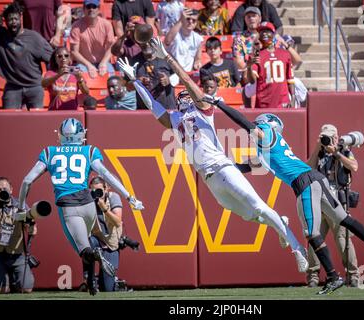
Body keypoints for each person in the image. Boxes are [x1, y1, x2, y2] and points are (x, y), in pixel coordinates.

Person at [117, 37, 309, 274]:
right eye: (180, 99)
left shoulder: (204, 111)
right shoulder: (176, 120)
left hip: (222, 167)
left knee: (259, 207)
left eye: (187, 96)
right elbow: (152, 106)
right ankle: (281, 223)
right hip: (209, 179)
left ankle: (297, 248)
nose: (184, 99)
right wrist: (134, 80)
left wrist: (167, 57)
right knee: (251, 215)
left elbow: (188, 82)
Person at [200, 98, 364, 294]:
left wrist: (220, 104)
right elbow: (248, 166)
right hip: (316, 178)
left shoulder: (266, 133)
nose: (255, 128)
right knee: (343, 218)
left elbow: (243, 123)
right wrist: (221, 167)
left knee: (311, 233)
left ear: (267, 124)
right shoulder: (270, 146)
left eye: (258, 124)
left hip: (304, 183)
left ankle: (334, 276)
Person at [17, 118, 144, 295]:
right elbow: (106, 175)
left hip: (68, 206)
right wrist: (130, 196)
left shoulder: (49, 152)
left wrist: (22, 206)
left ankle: (95, 259)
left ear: (61, 135)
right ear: (81, 134)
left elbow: (27, 181)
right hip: (88, 203)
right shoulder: (89, 151)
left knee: (84, 250)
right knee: (89, 242)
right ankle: (92, 284)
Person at [306, 124, 360, 287]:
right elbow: (308, 168)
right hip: (319, 201)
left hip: (336, 202)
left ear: (336, 137)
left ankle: (353, 275)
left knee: (343, 239)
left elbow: (354, 166)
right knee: (314, 238)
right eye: (324, 137)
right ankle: (313, 276)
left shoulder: (344, 150)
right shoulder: (320, 152)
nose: (327, 140)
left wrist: (336, 153)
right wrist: (317, 147)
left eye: (329, 137)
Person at [0, 2, 53, 110]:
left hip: (34, 86)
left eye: (15, 19)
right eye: (10, 19)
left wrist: (48, 76)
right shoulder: (0, 35)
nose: (13, 22)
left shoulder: (34, 38)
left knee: (37, 121)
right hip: (12, 87)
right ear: (5, 21)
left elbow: (53, 58)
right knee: (9, 121)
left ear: (20, 18)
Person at [80, 176, 124, 292]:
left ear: (106, 189)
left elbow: (118, 221)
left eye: (99, 191)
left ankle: (112, 282)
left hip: (110, 245)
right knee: (87, 243)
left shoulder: (113, 198)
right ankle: (89, 278)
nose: (96, 194)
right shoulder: (88, 200)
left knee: (107, 288)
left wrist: (104, 209)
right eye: (93, 191)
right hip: (95, 240)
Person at [0, 177, 35, 294]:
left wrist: (31, 228)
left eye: (5, 189)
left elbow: (31, 226)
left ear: (11, 190)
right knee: (1, 291)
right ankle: (2, 278)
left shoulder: (20, 205)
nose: (3, 191)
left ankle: (13, 278)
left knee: (26, 289)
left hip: (17, 254)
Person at [247, 22, 295, 108]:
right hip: (264, 102)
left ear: (273, 34)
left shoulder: (284, 54)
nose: (264, 33)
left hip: (283, 102)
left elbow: (290, 79)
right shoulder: (256, 55)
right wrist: (249, 66)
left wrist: (293, 97)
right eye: (262, 31)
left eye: (267, 31)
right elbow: (252, 80)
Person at [70, 0, 115, 78]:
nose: (91, 9)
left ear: (98, 9)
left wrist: (104, 62)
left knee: (113, 79)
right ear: (84, 9)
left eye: (94, 7)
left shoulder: (106, 25)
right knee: (81, 77)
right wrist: (88, 65)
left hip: (103, 62)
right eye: (88, 7)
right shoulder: (76, 26)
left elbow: (111, 48)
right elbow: (74, 52)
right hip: (83, 63)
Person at [136, 44, 178, 110]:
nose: (146, 44)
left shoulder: (166, 57)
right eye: (143, 40)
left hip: (166, 108)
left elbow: (181, 76)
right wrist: (137, 81)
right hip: (144, 109)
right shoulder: (134, 60)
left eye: (149, 41)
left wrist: (169, 80)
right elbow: (127, 84)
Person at [164, 7, 203, 72]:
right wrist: (181, 20)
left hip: (187, 74)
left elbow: (197, 58)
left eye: (193, 20)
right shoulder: (175, 33)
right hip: (172, 72)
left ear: (196, 23)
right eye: (188, 19)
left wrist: (197, 63)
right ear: (183, 20)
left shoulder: (198, 38)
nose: (190, 22)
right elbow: (167, 42)